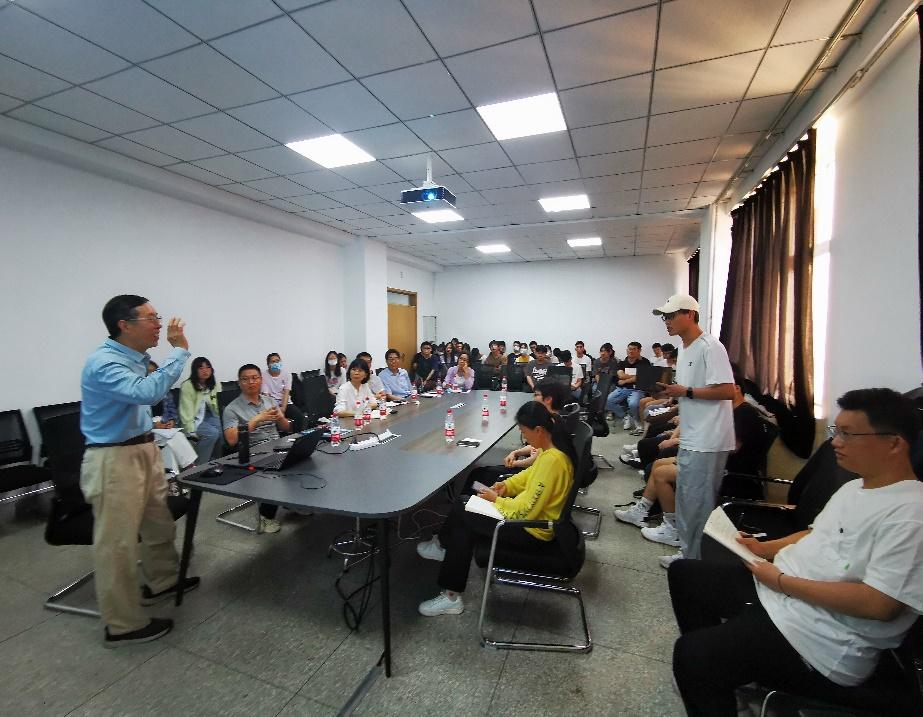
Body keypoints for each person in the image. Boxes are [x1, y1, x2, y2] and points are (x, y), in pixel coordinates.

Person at [669, 388, 923, 717]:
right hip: (788, 594)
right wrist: (763, 548)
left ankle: (716, 672)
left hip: (824, 637)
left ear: (894, 443)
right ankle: (728, 678)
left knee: (693, 655)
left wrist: (780, 581)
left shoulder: (911, 513)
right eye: (836, 431)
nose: (835, 443)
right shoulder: (857, 486)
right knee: (686, 575)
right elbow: (817, 534)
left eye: (848, 434)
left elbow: (880, 604)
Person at [79, 294, 199, 647]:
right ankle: (122, 625)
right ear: (124, 325)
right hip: (114, 459)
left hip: (143, 449)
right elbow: (146, 392)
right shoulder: (104, 362)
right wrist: (180, 351)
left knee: (158, 522)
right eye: (152, 318)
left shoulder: (136, 359)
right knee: (117, 545)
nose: (160, 325)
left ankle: (162, 581)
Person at [416, 401, 576, 616]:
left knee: (464, 508)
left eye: (524, 432)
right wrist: (504, 486)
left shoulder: (553, 462)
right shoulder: (549, 452)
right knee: (467, 503)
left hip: (531, 530)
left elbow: (526, 511)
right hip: (526, 518)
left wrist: (496, 500)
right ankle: (445, 557)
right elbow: (527, 477)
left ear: (538, 430)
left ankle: (450, 587)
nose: (524, 438)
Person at [652, 294, 734, 566]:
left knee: (698, 504)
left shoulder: (711, 347)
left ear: (690, 314)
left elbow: (727, 390)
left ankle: (695, 563)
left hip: (709, 439)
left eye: (671, 316)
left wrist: (685, 391)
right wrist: (673, 396)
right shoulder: (684, 348)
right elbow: (689, 392)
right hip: (691, 435)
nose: (667, 322)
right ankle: (688, 553)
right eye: (664, 317)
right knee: (688, 499)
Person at [222, 364, 292, 534]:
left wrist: (281, 418)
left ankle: (293, 502)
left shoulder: (269, 401)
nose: (251, 382)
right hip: (254, 452)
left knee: (303, 459)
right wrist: (256, 419)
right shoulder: (231, 409)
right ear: (239, 383)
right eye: (245, 379)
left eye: (255, 378)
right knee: (273, 472)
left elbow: (286, 427)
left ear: (261, 380)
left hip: (277, 446)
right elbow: (231, 439)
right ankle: (266, 516)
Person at [147, 361, 197, 475]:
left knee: (168, 445)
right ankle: (190, 467)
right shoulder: (136, 394)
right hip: (146, 431)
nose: (151, 375)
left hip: (164, 428)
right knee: (177, 436)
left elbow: (172, 411)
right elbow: (136, 421)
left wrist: (172, 421)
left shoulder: (164, 391)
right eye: (148, 372)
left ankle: (173, 478)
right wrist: (153, 425)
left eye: (154, 372)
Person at [179, 355, 222, 465]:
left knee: (223, 428)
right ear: (195, 370)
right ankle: (200, 465)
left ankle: (217, 461)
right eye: (201, 368)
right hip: (193, 418)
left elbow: (218, 405)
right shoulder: (187, 385)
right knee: (212, 433)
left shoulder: (215, 384)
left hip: (210, 415)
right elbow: (186, 410)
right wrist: (190, 430)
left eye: (208, 367)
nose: (205, 370)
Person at [607, 341, 652, 433]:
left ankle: (636, 420)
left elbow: (642, 377)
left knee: (633, 404)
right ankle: (625, 416)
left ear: (639, 351)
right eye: (629, 349)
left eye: (634, 349)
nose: (631, 351)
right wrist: (636, 376)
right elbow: (621, 375)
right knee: (608, 400)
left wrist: (625, 380)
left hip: (637, 389)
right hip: (623, 389)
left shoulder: (645, 362)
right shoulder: (622, 363)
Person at [261, 352, 305, 430]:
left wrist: (283, 408)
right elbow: (266, 396)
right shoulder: (263, 376)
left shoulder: (287, 374)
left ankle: (296, 436)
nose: (276, 363)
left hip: (285, 403)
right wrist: (276, 410)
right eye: (273, 362)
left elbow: (286, 392)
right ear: (268, 364)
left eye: (277, 361)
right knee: (271, 422)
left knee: (300, 417)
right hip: (271, 404)